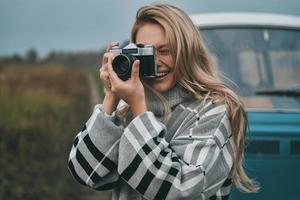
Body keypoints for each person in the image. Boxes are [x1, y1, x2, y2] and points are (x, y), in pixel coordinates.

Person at [68, 4, 259, 200]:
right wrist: (111, 96)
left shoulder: (213, 111)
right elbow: (87, 172)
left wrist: (139, 109)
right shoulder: (130, 106)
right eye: (146, 52)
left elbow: (178, 190)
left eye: (165, 51)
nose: (155, 61)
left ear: (187, 52)